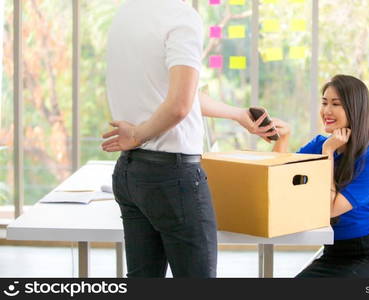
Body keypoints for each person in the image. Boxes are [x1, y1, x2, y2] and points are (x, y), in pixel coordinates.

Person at [101, 0, 275, 278]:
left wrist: (237, 114)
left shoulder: (127, 12)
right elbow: (179, 106)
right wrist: (137, 134)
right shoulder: (181, 17)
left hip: (130, 174)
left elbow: (180, 95)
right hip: (172, 175)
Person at [269, 74, 369, 277]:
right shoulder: (321, 143)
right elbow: (278, 176)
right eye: (324, 102)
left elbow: (330, 210)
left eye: (335, 104)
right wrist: (283, 138)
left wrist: (327, 153)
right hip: (333, 252)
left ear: (354, 109)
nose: (327, 111)